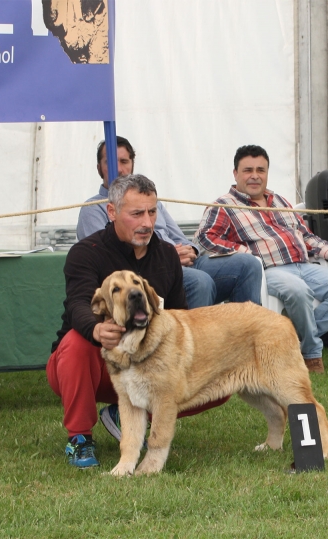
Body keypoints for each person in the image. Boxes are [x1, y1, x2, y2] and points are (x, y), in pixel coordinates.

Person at [48, 174, 229, 468]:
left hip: (146, 367)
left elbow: (178, 313)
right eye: (137, 214)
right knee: (76, 343)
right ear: (112, 212)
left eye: (152, 212)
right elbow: (77, 305)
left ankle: (135, 415)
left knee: (216, 379)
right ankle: (79, 438)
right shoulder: (85, 253)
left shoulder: (167, 254)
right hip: (92, 367)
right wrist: (96, 329)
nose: (147, 222)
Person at [194, 145, 328, 374]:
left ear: (267, 173)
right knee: (298, 291)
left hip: (305, 265)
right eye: (248, 170)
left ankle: (290, 340)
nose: (255, 175)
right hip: (269, 270)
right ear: (235, 174)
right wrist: (247, 255)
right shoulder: (224, 205)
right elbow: (205, 238)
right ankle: (311, 354)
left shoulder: (280, 201)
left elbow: (305, 235)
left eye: (261, 170)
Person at [77, 136, 262, 308]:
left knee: (248, 264)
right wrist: (168, 256)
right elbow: (107, 259)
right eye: (110, 162)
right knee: (200, 281)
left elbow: (181, 237)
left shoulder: (149, 198)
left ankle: (247, 334)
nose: (119, 168)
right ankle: (196, 342)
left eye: (124, 161)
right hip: (150, 269)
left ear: (132, 164)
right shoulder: (93, 208)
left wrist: (191, 250)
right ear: (99, 167)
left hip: (183, 262)